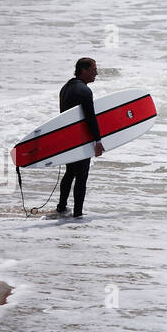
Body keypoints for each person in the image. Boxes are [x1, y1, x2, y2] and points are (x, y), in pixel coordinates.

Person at [56, 57, 105, 217]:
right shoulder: (84, 91)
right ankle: (78, 214)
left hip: (67, 139)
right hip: (80, 140)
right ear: (84, 70)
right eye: (93, 69)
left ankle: (61, 207)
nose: (96, 73)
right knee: (81, 176)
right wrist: (98, 140)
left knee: (70, 172)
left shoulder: (65, 88)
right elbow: (91, 118)